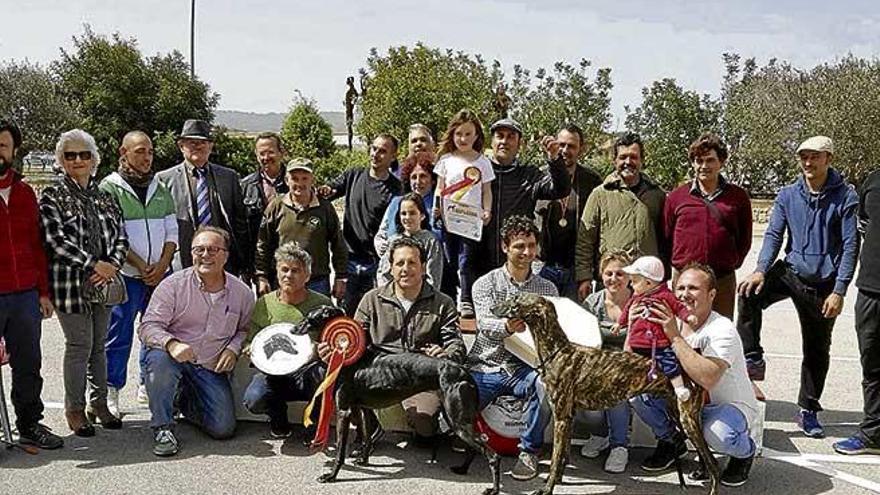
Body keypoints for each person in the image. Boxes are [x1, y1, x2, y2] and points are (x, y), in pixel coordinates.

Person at [736, 136, 859, 438]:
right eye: (803, 157)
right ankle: (752, 358)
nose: (808, 162)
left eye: (814, 157)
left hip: (823, 284)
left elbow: (850, 246)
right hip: (791, 271)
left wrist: (839, 290)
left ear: (828, 158)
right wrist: (761, 270)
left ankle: (809, 409)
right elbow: (774, 235)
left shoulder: (845, 197)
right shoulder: (788, 194)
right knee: (749, 292)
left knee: (817, 350)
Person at [631, 263, 759, 487]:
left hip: (724, 406)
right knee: (638, 395)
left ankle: (745, 452)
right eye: (680, 288)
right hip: (684, 402)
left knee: (720, 435)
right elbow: (631, 363)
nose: (684, 294)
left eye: (693, 288)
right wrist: (633, 326)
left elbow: (708, 378)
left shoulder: (722, 329)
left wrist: (674, 337)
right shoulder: (671, 319)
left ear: (711, 295)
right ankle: (672, 442)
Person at [328, 236, 464, 440]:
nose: (405, 269)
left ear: (424, 267)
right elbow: (355, 340)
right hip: (379, 375)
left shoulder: (443, 303)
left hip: (419, 378)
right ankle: (370, 427)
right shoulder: (371, 299)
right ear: (391, 268)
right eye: (399, 263)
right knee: (343, 389)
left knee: (424, 427)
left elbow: (456, 343)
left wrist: (446, 353)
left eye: (412, 263)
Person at [40, 129, 128, 436]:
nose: (77, 160)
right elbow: (55, 241)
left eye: (84, 154)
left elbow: (120, 236)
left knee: (99, 348)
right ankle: (74, 409)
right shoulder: (52, 196)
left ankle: (98, 404)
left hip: (103, 283)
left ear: (94, 159)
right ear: (61, 161)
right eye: (70, 155)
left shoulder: (105, 197)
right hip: (69, 285)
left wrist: (112, 265)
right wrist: (95, 264)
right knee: (79, 346)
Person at [139, 226, 255, 457]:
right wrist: (172, 344)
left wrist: (232, 350)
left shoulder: (242, 293)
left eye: (213, 249)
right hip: (172, 358)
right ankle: (163, 426)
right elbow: (148, 326)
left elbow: (245, 330)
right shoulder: (172, 285)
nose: (205, 255)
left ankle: (181, 400)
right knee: (160, 362)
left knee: (223, 428)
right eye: (198, 249)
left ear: (226, 255)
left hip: (209, 366)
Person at [467, 216, 556, 481]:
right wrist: (507, 327)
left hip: (525, 367)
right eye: (519, 246)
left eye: (531, 245)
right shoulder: (485, 284)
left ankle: (530, 451)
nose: (527, 252)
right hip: (485, 364)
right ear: (505, 247)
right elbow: (483, 323)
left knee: (546, 385)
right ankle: (467, 442)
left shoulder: (547, 288)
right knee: (457, 397)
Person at [99, 131, 177, 417]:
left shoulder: (160, 185)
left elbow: (171, 230)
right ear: (124, 152)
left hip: (160, 274)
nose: (146, 158)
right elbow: (113, 233)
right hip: (127, 274)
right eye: (140, 151)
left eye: (150, 152)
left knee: (156, 332)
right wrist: (141, 264)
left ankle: (148, 383)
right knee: (118, 334)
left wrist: (162, 264)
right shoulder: (110, 187)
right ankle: (111, 390)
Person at [0, 119, 62, 449]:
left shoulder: (25, 193)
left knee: (28, 366)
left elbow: (38, 247)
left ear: (13, 151)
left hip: (24, 295)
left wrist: (43, 292)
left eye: (3, 145)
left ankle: (29, 424)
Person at [243, 242, 332, 438]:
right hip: (273, 374)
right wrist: (251, 349)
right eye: (284, 269)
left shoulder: (323, 304)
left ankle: (315, 422)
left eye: (295, 271)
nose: (288, 275)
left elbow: (333, 343)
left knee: (324, 377)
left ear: (307, 276)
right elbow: (250, 340)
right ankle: (278, 418)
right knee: (253, 398)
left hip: (309, 372)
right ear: (276, 271)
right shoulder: (264, 304)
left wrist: (321, 350)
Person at [664, 133, 752, 318]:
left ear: (721, 162)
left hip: (722, 279)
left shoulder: (738, 197)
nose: (704, 166)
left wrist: (731, 262)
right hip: (684, 279)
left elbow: (744, 238)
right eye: (699, 161)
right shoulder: (677, 197)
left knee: (720, 332)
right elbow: (666, 234)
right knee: (683, 330)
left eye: (710, 160)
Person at [575, 132, 666, 301]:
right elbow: (585, 239)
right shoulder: (600, 194)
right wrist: (584, 277)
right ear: (614, 160)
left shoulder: (657, 195)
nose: (628, 162)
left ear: (642, 160)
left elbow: (665, 239)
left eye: (633, 157)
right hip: (613, 279)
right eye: (623, 157)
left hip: (646, 281)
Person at [318, 134, 402, 315]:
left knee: (374, 315)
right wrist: (324, 189)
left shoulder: (397, 189)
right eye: (374, 148)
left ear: (393, 156)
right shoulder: (353, 175)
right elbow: (330, 190)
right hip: (348, 260)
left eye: (382, 151)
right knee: (345, 317)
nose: (375, 154)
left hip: (377, 264)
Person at [155, 119, 250, 278]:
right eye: (191, 142)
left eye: (202, 142)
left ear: (210, 146)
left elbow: (239, 222)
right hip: (182, 260)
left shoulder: (229, 177)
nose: (197, 146)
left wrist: (243, 260)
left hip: (221, 259)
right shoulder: (164, 179)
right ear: (181, 146)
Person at [475, 118, 570, 276]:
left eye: (511, 136)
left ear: (520, 144)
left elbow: (561, 190)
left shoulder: (529, 175)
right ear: (491, 142)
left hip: (518, 265)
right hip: (479, 262)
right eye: (500, 136)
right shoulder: (476, 172)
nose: (504, 141)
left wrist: (555, 159)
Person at [834, 167, 880, 455]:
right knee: (872, 366)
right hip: (870, 290)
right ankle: (873, 432)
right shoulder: (873, 180)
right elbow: (863, 223)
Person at [432, 110, 495, 317]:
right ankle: (449, 299)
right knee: (450, 260)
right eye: (459, 134)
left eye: (468, 134)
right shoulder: (446, 160)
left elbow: (486, 191)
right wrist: (436, 207)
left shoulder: (483, 162)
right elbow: (440, 188)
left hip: (471, 220)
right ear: (452, 135)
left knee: (466, 260)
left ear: (477, 136)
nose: (463, 139)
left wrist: (487, 211)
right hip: (450, 219)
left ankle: (466, 299)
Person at [255, 158, 346, 299]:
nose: (300, 183)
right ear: (287, 180)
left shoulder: (325, 208)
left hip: (317, 281)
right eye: (295, 178)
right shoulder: (276, 206)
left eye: (305, 178)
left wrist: (340, 276)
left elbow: (338, 244)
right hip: (283, 280)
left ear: (312, 180)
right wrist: (262, 276)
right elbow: (263, 244)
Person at [580, 251, 633, 472]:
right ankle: (599, 435)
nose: (614, 279)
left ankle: (619, 446)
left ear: (630, 276)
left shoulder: (638, 301)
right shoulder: (592, 302)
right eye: (608, 273)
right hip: (597, 362)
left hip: (629, 363)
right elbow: (582, 339)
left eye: (620, 274)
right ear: (601, 275)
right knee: (587, 405)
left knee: (616, 391)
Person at [535, 124, 602, 299]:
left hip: (575, 269)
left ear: (581, 149)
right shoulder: (539, 177)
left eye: (571, 146)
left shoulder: (591, 181)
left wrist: (586, 273)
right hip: (542, 264)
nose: (565, 150)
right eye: (561, 145)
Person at [617, 256, 698, 401]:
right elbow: (627, 311)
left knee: (669, 361)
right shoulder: (636, 298)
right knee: (631, 364)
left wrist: (688, 317)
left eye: (635, 281)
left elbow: (679, 307)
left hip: (659, 342)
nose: (631, 285)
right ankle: (630, 387)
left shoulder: (665, 296)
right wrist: (620, 323)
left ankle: (679, 387)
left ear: (648, 282)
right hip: (638, 342)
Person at [375, 192, 443, 287]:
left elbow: (433, 278)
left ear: (422, 215)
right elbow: (383, 274)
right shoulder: (393, 241)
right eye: (403, 213)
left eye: (412, 213)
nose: (407, 217)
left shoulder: (430, 241)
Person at [241, 132, 288, 266]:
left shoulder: (295, 184)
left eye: (270, 152)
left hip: (289, 259)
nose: (266, 157)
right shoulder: (245, 186)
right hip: (258, 259)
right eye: (261, 153)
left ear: (282, 152)